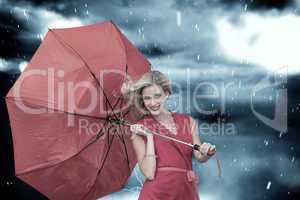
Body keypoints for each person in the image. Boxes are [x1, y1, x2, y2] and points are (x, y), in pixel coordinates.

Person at [122, 70, 216, 200]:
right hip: (156, 194)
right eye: (147, 98)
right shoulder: (139, 129)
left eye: (157, 96)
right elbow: (149, 173)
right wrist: (149, 137)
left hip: (186, 192)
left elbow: (199, 156)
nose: (152, 103)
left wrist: (207, 152)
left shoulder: (188, 121)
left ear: (166, 93)